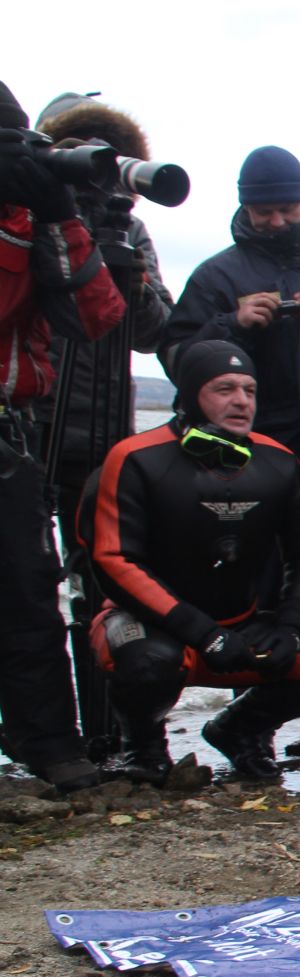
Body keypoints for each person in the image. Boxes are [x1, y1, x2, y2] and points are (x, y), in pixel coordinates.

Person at [80, 341, 300, 781]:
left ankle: (239, 730)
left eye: (249, 389)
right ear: (190, 395)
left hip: (239, 624)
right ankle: (144, 745)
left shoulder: (279, 461)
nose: (241, 401)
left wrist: (292, 624)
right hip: (154, 628)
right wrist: (201, 632)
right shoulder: (133, 458)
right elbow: (112, 558)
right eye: (224, 388)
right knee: (149, 662)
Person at [0, 80, 125, 793]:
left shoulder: (29, 213)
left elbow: (98, 315)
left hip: (11, 427)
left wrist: (57, 210)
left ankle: (47, 741)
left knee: (27, 591)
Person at [30, 92, 174, 555]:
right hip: (34, 415)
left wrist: (136, 291)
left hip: (103, 422)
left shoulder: (127, 231)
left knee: (101, 558)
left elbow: (156, 333)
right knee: (26, 560)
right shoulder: (24, 219)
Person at [160, 146, 300, 463]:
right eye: (264, 212)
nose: (277, 221)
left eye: (288, 209)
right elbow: (176, 360)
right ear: (246, 208)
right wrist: (232, 325)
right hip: (247, 443)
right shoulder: (214, 276)